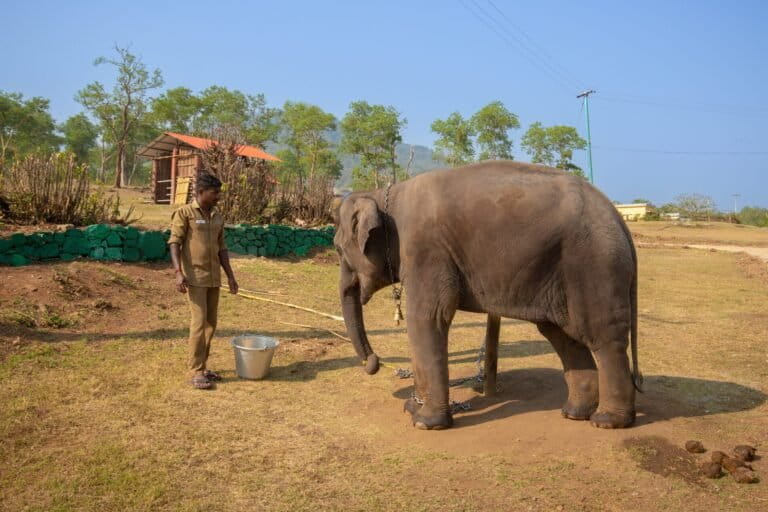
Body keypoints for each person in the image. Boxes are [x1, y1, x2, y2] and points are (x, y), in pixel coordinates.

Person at [168, 173, 238, 389]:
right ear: (200, 192)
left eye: (218, 192)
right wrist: (178, 272)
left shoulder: (217, 216)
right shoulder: (184, 213)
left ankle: (204, 366)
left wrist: (230, 275)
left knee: (210, 323)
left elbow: (222, 248)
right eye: (214, 192)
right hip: (194, 278)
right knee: (198, 322)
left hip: (213, 278)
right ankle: (196, 370)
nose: (218, 196)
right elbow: (174, 243)